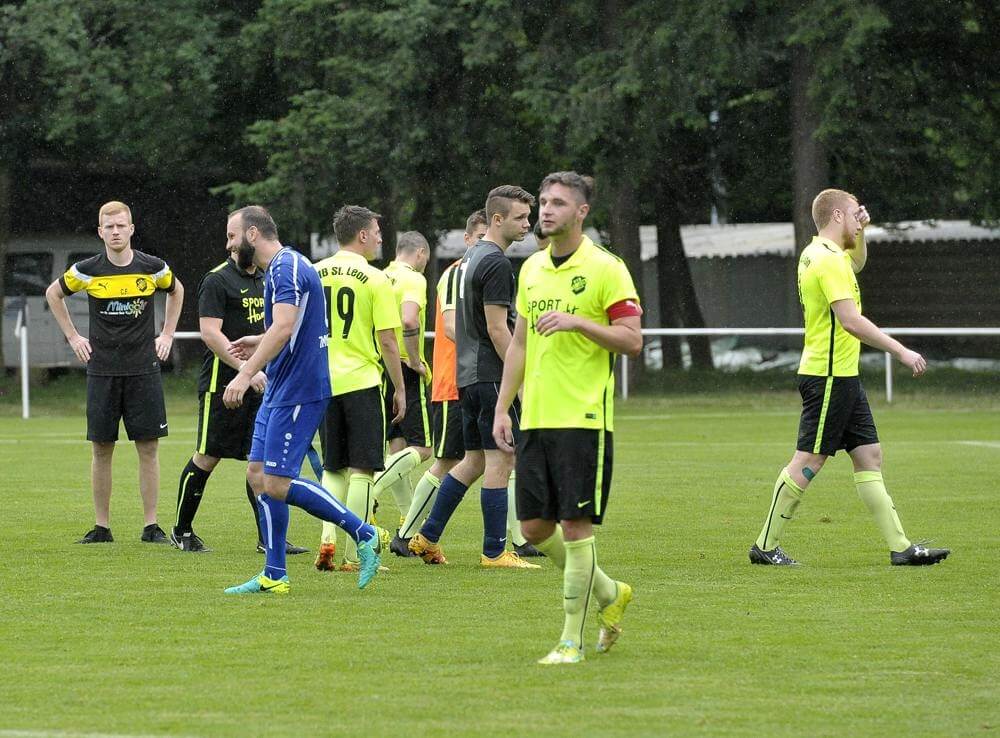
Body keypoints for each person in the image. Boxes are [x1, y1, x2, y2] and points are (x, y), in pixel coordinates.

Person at [749, 188, 950, 567]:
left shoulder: (820, 254)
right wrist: (900, 350)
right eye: (855, 215)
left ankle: (901, 548)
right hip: (828, 378)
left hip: (841, 376)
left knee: (869, 456)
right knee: (808, 460)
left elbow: (855, 265)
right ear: (837, 216)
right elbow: (850, 320)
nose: (861, 220)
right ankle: (765, 545)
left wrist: (863, 234)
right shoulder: (828, 262)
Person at [494, 171, 642, 664]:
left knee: (576, 528)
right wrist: (502, 407)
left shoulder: (607, 268)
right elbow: (518, 344)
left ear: (581, 212)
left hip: (582, 420)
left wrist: (580, 322)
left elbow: (632, 340)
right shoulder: (532, 268)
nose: (546, 210)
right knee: (535, 528)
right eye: (543, 201)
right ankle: (609, 593)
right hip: (535, 418)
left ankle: (570, 641)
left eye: (558, 202)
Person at [220, 205, 382, 594]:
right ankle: (274, 575)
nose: (229, 246)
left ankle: (363, 532)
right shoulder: (282, 267)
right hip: (283, 384)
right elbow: (292, 325)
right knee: (258, 475)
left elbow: (286, 326)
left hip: (300, 387)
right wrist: (259, 341)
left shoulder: (286, 266)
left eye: (231, 236)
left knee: (277, 482)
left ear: (253, 234)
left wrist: (244, 374)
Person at [393, 209, 541, 558]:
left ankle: (425, 536)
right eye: (521, 218)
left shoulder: (465, 264)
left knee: (471, 460)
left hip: (466, 377)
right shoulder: (492, 264)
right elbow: (491, 327)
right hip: (482, 376)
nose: (527, 225)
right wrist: (517, 378)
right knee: (499, 459)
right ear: (497, 219)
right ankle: (495, 551)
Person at [45, 201, 184, 545]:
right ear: (100, 232)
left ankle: (151, 526)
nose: (116, 232)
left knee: (148, 448)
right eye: (109, 227)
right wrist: (73, 337)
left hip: (143, 371)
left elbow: (177, 290)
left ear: (132, 229)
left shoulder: (152, 268)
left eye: (121, 226)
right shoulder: (87, 270)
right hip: (102, 371)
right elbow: (53, 293)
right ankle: (101, 527)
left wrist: (166, 334)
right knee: (101, 449)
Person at [171, 235, 308, 555]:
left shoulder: (268, 277)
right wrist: (244, 370)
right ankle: (181, 530)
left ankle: (268, 539)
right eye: (236, 239)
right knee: (207, 456)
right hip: (222, 384)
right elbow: (210, 334)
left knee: (258, 460)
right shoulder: (217, 280)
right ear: (232, 246)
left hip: (261, 383)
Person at [313, 205, 407, 572]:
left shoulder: (315, 272)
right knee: (363, 470)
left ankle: (327, 539)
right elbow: (387, 340)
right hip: (362, 381)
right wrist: (399, 387)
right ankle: (356, 554)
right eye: (377, 231)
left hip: (323, 383)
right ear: (362, 235)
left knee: (333, 468)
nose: (381, 238)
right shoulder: (375, 278)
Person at [371, 232, 433, 533]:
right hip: (404, 368)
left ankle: (409, 522)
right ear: (420, 253)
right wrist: (414, 359)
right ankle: (373, 487)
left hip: (378, 364)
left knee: (397, 446)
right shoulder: (413, 279)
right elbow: (409, 320)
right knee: (423, 447)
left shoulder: (381, 276)